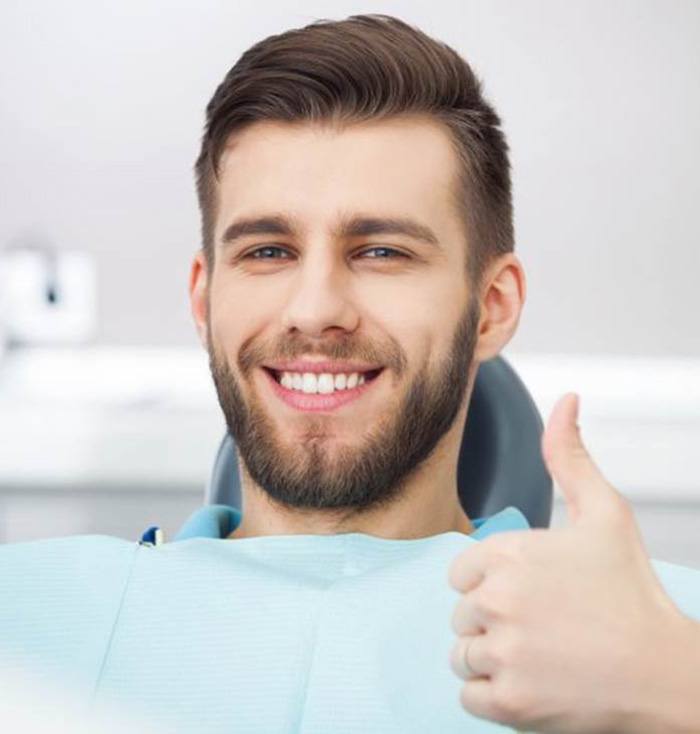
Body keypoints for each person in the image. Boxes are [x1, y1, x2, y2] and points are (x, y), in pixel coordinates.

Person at [0, 13, 698, 734]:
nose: (315, 310)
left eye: (382, 252)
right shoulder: (25, 614)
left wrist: (676, 684)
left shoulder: (663, 632)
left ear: (492, 307)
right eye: (268, 251)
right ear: (205, 301)